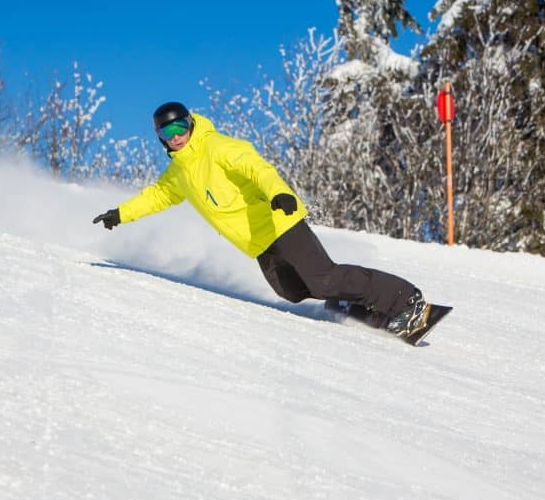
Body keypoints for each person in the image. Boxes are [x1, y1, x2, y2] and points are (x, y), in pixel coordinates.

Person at [92, 101, 434, 339]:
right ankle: (355, 300)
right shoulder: (178, 172)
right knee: (293, 292)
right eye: (168, 133)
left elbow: (257, 168)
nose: (177, 136)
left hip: (279, 220)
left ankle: (406, 300)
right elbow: (158, 195)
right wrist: (121, 213)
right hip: (258, 241)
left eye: (180, 126)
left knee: (323, 279)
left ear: (191, 123)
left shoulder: (219, 147)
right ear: (161, 139)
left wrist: (279, 193)